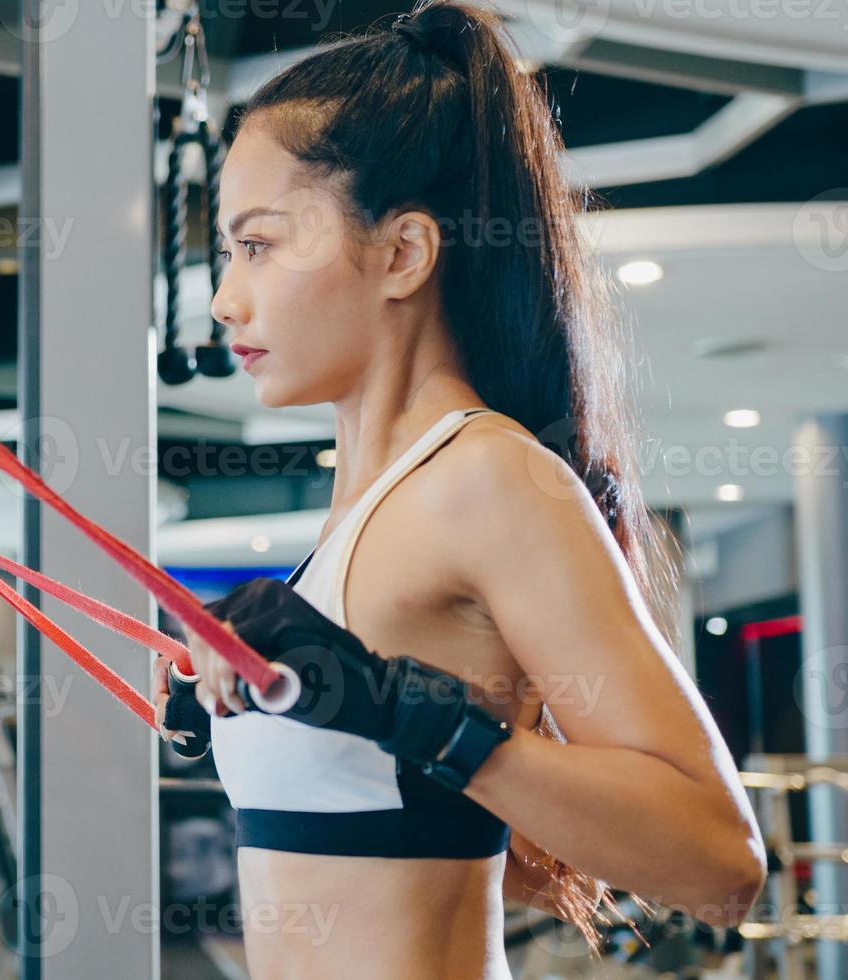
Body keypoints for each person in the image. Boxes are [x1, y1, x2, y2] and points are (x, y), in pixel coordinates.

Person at [150, 2, 766, 976]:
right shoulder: (372, 507)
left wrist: (408, 710)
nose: (226, 297)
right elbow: (494, 852)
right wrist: (276, 706)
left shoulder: (490, 476)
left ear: (402, 253)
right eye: (228, 251)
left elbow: (719, 863)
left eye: (259, 244)